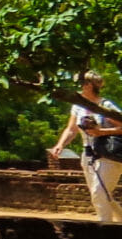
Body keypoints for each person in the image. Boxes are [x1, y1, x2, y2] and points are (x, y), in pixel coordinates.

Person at [50, 71, 122, 225]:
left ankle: (106, 230)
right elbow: (71, 129)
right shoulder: (78, 107)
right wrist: (60, 144)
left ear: (89, 85)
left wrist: (100, 132)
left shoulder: (105, 106)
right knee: (103, 195)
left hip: (108, 155)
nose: (77, 87)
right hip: (88, 156)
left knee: (99, 193)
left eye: (80, 83)